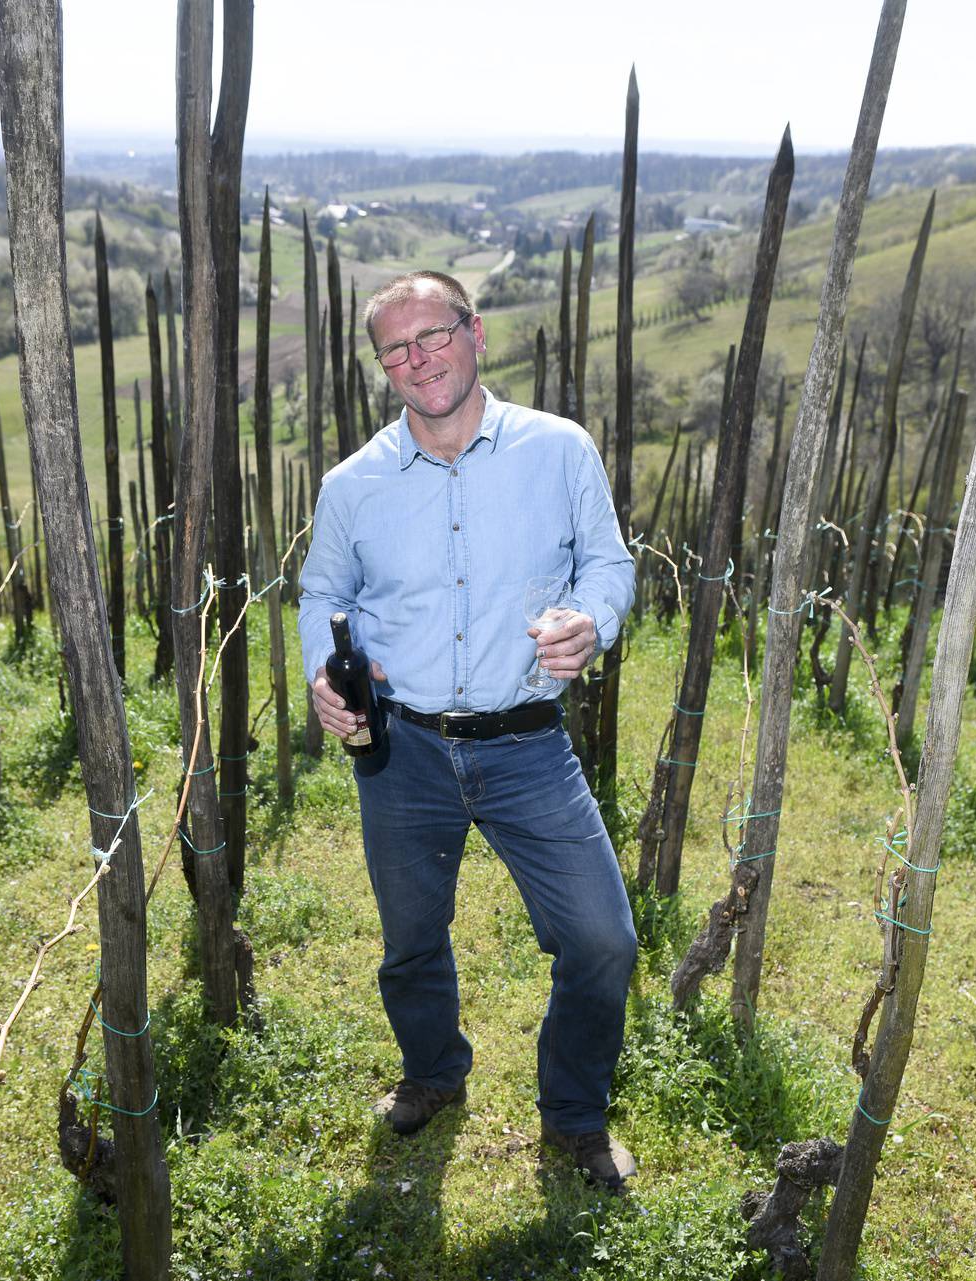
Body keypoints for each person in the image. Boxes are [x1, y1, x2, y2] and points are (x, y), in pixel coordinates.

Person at [296, 270, 639, 1192]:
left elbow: (609, 564)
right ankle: (435, 1071)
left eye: (434, 335)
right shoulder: (351, 485)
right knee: (412, 938)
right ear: (383, 366)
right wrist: (323, 678)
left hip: (527, 743)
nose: (419, 360)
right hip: (402, 752)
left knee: (603, 939)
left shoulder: (559, 451)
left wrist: (591, 622)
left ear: (476, 333)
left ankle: (573, 1114)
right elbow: (323, 594)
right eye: (396, 349)